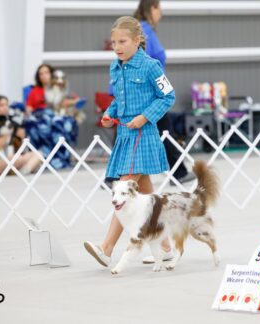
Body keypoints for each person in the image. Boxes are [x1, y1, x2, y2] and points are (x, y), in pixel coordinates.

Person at [84, 16, 175, 268]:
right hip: (124, 135)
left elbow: (168, 96)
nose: (117, 46)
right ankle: (166, 247)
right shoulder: (116, 67)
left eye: (122, 41)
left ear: (138, 40)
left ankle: (106, 248)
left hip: (142, 135)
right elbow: (119, 99)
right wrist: (110, 114)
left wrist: (145, 117)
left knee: (123, 189)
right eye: (114, 42)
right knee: (143, 193)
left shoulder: (151, 66)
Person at [134, 0, 195, 185]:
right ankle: (179, 172)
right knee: (164, 129)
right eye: (159, 8)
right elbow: (146, 63)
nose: (161, 12)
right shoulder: (145, 31)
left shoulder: (144, 30)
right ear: (152, 8)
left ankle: (179, 172)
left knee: (161, 130)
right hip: (150, 91)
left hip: (150, 89)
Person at [25, 64, 79, 169]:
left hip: (58, 114)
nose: (44, 76)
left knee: (63, 122)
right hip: (40, 115)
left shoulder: (62, 89)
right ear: (38, 77)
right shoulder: (34, 91)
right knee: (45, 122)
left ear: (52, 74)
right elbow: (29, 109)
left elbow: (72, 101)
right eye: (41, 74)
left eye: (46, 72)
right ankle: (45, 158)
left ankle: (61, 158)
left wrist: (70, 103)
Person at [0, 95, 41, 175]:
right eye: (1, 105)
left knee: (38, 154)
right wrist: (7, 135)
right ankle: (24, 169)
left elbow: (17, 144)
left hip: (10, 156)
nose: (5, 107)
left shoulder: (12, 120)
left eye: (6, 105)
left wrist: (19, 136)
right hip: (2, 159)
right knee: (18, 158)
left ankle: (24, 170)